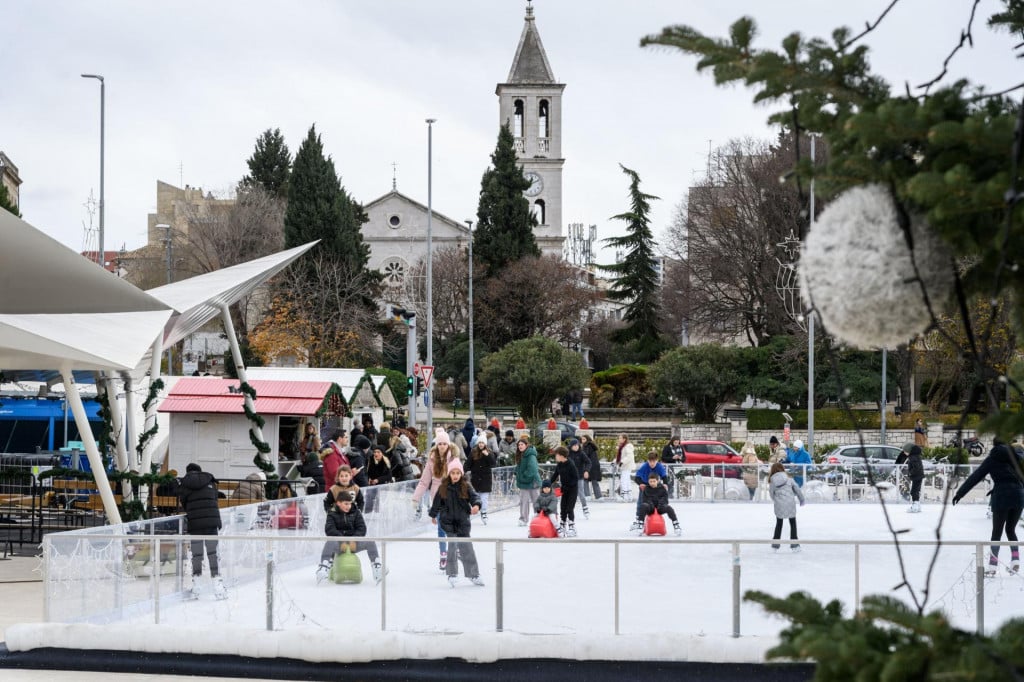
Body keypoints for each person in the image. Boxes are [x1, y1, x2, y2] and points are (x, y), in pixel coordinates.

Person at [953, 439, 1024, 575]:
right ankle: (1015, 560)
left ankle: (992, 566)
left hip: (1002, 496)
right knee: (1010, 530)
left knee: (996, 532)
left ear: (994, 445)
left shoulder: (992, 459)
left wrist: (960, 493)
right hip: (1018, 496)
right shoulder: (1016, 457)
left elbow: (976, 476)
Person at [428, 458, 484, 587]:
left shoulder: (466, 486)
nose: (455, 476)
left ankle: (473, 574)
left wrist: (476, 505)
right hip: (448, 522)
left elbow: (475, 496)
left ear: (461, 474)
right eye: (453, 473)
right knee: (452, 547)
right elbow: (437, 502)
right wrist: (433, 514)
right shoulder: (443, 487)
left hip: (463, 522)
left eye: (458, 473)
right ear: (449, 474)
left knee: (467, 548)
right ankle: (452, 574)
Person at [412, 428, 461, 570]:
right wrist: (416, 498)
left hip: (452, 496)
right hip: (437, 498)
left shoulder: (454, 458)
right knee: (441, 528)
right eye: (440, 444)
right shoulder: (432, 459)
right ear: (436, 445)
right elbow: (424, 481)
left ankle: (454, 549)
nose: (442, 447)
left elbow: (460, 479)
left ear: (448, 445)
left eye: (444, 444)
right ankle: (443, 554)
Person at [177, 463, 225, 599]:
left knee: (197, 555)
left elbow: (184, 503)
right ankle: (218, 587)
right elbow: (214, 500)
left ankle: (196, 587)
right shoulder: (210, 481)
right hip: (211, 522)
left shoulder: (185, 483)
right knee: (213, 554)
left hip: (195, 523)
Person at [317, 490, 384, 584]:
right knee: (330, 541)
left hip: (354, 544)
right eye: (346, 504)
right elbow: (330, 530)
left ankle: (377, 568)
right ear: (338, 503)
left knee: (370, 541)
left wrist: (354, 540)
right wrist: (342, 541)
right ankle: (323, 568)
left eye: (350, 504)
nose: (349, 506)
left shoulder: (356, 512)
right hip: (339, 544)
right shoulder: (331, 514)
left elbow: (362, 528)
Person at [769, 462, 805, 552]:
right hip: (790, 503)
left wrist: (776, 500)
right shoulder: (789, 479)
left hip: (779, 504)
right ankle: (795, 546)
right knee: (792, 523)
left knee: (779, 524)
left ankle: (775, 546)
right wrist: (802, 499)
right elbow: (797, 489)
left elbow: (771, 493)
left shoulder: (772, 481)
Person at [629, 452, 668, 532]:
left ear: (657, 460)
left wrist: (665, 484)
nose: (652, 463)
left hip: (655, 486)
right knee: (641, 502)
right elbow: (637, 478)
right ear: (648, 461)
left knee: (656, 501)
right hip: (645, 486)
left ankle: (656, 518)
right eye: (650, 461)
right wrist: (641, 484)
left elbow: (664, 476)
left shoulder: (659, 466)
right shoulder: (645, 466)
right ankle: (638, 520)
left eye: (654, 461)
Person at [633, 472, 681, 536]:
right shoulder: (646, 489)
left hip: (660, 507)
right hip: (650, 508)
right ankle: (640, 524)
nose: (652, 483)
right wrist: (650, 504)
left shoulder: (662, 488)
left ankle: (676, 525)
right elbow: (645, 499)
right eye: (650, 481)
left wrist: (660, 505)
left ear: (657, 481)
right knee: (643, 506)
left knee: (669, 508)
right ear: (648, 481)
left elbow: (665, 500)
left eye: (654, 481)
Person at [549, 445, 580, 537]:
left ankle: (572, 527)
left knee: (569, 508)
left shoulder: (570, 464)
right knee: (563, 507)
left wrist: (569, 486)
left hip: (572, 489)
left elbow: (575, 478)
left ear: (562, 455)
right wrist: (547, 483)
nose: (555, 457)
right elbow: (555, 475)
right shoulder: (560, 464)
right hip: (564, 489)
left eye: (556, 455)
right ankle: (562, 525)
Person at [466, 439, 496, 525]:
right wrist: (463, 470)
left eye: (482, 443)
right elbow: (468, 463)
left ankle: (484, 512)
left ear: (485, 443)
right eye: (479, 442)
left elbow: (493, 463)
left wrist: (488, 456)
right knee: (474, 497)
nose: (481, 444)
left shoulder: (489, 452)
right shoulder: (473, 452)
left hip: (486, 479)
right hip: (475, 478)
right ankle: (471, 512)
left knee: (484, 498)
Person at [514, 436, 541, 527]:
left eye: (522, 444)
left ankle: (539, 517)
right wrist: (516, 472)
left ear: (526, 445)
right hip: (524, 483)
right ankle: (523, 519)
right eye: (519, 445)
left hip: (532, 482)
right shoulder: (521, 455)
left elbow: (532, 469)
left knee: (536, 500)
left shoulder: (530, 455)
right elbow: (519, 466)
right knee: (523, 501)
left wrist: (523, 477)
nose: (520, 446)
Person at [567, 439, 591, 519]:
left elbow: (588, 462)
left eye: (577, 445)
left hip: (579, 476)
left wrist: (586, 471)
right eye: (574, 445)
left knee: (581, 493)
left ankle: (585, 508)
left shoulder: (581, 453)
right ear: (571, 446)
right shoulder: (568, 454)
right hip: (570, 477)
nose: (576, 447)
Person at [580, 434, 602, 501]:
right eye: (582, 439)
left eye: (584, 439)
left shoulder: (586, 446)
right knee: (594, 481)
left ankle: (587, 496)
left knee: (585, 480)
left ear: (587, 439)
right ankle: (599, 496)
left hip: (589, 466)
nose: (582, 441)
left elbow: (584, 457)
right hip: (595, 466)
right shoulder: (592, 446)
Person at [615, 433, 635, 502]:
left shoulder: (628, 446)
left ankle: (625, 496)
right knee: (627, 481)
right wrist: (615, 461)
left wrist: (622, 462)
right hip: (624, 466)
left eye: (620, 438)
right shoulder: (622, 446)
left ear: (624, 439)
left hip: (627, 466)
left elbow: (629, 456)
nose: (619, 439)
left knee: (624, 481)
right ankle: (629, 496)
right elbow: (620, 457)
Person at [905, 444, 925, 513]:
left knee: (914, 491)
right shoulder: (915, 456)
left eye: (905, 451)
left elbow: (916, 467)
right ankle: (917, 506)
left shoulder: (912, 457)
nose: (904, 453)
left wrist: (910, 473)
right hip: (918, 476)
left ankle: (915, 506)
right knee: (916, 490)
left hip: (917, 476)